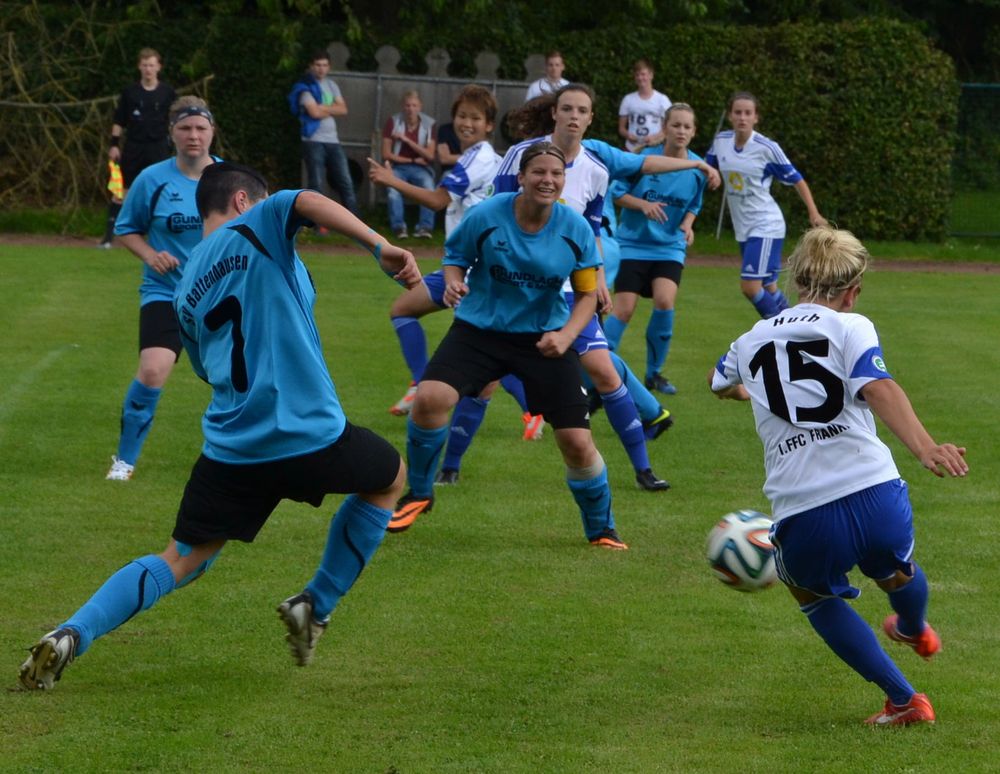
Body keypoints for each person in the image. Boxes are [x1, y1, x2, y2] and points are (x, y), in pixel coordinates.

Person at [17, 162, 422, 691]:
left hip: (232, 448)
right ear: (241, 200)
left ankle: (73, 631)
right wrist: (378, 245)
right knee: (390, 477)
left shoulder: (185, 291)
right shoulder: (257, 222)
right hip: (306, 432)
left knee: (183, 557)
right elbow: (304, 200)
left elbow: (211, 371)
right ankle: (316, 604)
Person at [709, 225, 968, 726]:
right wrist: (925, 447)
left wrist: (748, 392)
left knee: (812, 595)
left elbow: (718, 382)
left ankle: (903, 700)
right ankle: (914, 626)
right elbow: (877, 386)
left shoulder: (749, 339)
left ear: (798, 278)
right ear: (852, 291)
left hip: (803, 504)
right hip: (875, 489)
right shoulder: (852, 326)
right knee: (893, 569)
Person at [390, 142, 629, 549]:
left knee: (575, 441)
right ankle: (418, 494)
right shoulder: (487, 215)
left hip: (544, 338)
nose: (547, 180)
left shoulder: (575, 230)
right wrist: (451, 282)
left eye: (555, 174)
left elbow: (588, 295)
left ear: (563, 180)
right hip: (479, 331)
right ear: (521, 177)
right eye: (538, 172)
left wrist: (567, 336)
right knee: (429, 399)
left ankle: (601, 529)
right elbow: (455, 257)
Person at [369, 86, 543, 446]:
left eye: (475, 118)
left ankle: (533, 409)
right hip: (463, 265)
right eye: (462, 116)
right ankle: (422, 384)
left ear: (489, 125)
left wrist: (391, 181)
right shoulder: (481, 159)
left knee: (485, 354)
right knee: (403, 310)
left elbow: (436, 201)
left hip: (476, 269)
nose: (466, 123)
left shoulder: (479, 158)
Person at [105, 96, 219, 481]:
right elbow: (125, 229)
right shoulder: (152, 179)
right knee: (153, 371)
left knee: (243, 380)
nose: (193, 135)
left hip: (219, 298)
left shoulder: (230, 180)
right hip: (165, 294)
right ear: (171, 133)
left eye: (200, 128)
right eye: (185, 128)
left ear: (212, 133)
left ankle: (244, 460)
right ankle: (124, 460)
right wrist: (152, 255)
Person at [603, 103, 709, 396]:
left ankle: (654, 374)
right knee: (623, 310)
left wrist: (688, 224)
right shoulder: (643, 160)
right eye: (676, 125)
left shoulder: (698, 168)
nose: (681, 131)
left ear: (694, 132)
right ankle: (598, 367)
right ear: (665, 128)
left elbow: (694, 205)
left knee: (665, 301)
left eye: (687, 127)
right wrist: (643, 205)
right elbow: (616, 193)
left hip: (669, 248)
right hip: (632, 245)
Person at [705, 91, 827, 319]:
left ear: (756, 117)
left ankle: (778, 329)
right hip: (743, 227)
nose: (742, 117)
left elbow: (797, 179)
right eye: (738, 112)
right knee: (769, 286)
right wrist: (712, 174)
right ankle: (797, 324)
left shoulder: (767, 147)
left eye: (748, 113)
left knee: (750, 286)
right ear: (730, 115)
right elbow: (706, 168)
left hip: (765, 224)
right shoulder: (720, 141)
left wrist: (814, 212)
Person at [99, 48, 177, 248]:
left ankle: (160, 237)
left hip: (158, 147)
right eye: (144, 65)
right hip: (134, 147)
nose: (148, 69)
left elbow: (174, 121)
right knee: (121, 191)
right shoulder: (130, 92)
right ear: (139, 67)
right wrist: (114, 145)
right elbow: (119, 121)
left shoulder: (168, 93)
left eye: (151, 65)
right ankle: (109, 237)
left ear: (158, 67)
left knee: (161, 191)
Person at [288, 50, 359, 216]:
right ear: (311, 66)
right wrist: (331, 109)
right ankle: (318, 222)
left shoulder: (332, 85)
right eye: (318, 65)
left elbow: (343, 109)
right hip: (313, 140)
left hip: (333, 141)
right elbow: (314, 113)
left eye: (325, 65)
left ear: (329, 67)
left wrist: (322, 108)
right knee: (317, 184)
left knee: (345, 181)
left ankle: (356, 222)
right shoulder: (305, 87)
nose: (321, 69)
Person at [381, 90, 437, 239]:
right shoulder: (393, 122)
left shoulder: (429, 124)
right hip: (398, 167)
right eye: (407, 105)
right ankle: (399, 227)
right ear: (403, 107)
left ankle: (425, 228)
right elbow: (386, 154)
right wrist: (411, 160)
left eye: (414, 105)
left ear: (420, 107)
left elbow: (430, 156)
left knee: (429, 187)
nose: (411, 109)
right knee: (393, 189)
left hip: (422, 168)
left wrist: (406, 140)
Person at [617, 59, 671, 153]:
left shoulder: (662, 100)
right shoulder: (628, 99)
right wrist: (628, 135)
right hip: (631, 149)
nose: (640, 78)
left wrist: (655, 138)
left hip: (655, 149)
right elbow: (621, 128)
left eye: (643, 74)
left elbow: (667, 128)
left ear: (651, 75)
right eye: (637, 75)